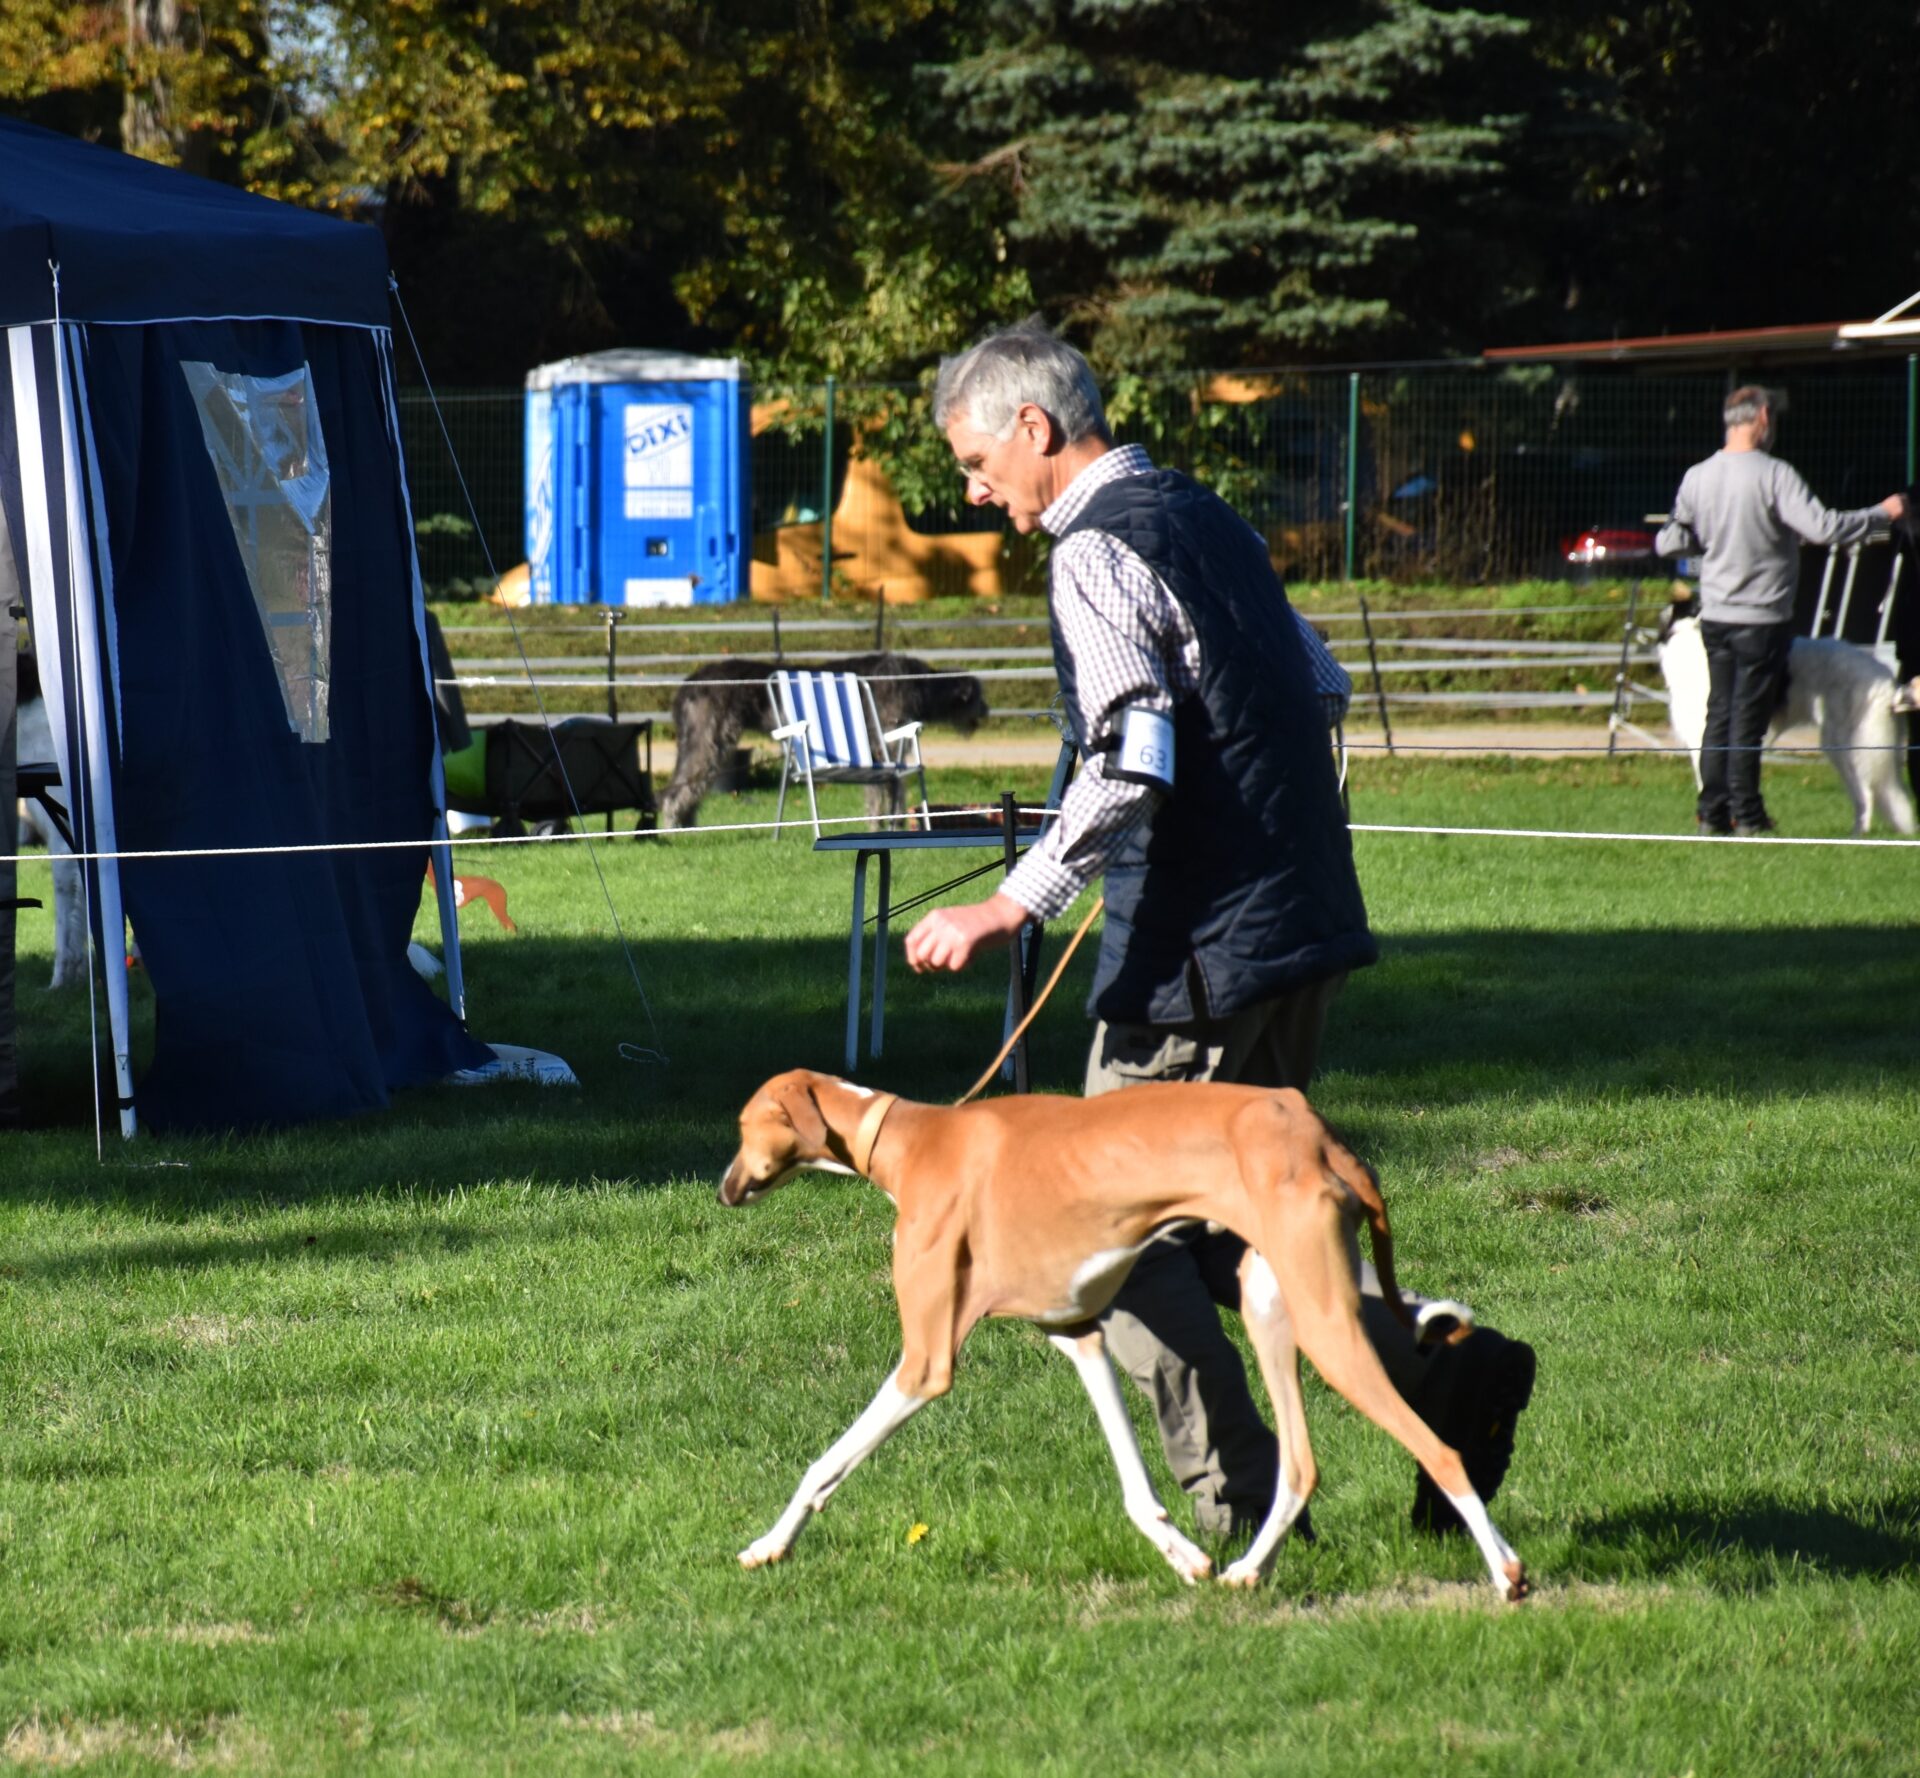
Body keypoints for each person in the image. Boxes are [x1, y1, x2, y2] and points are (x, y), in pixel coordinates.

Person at [903, 319, 1533, 1541]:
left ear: (1034, 430)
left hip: (1198, 957)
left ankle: (1246, 1497)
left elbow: (1131, 756)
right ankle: (1441, 1355)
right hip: (1302, 930)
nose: (974, 490)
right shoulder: (1209, 518)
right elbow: (1321, 682)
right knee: (1249, 1214)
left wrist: (1008, 899)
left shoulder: (1092, 552)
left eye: (977, 461)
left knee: (1101, 1239)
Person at [1656, 385, 1906, 837]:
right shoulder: (1775, 475)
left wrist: (1712, 540)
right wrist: (1881, 513)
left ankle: (1712, 814)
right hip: (1763, 619)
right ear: (1764, 418)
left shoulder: (1697, 476)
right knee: (1749, 719)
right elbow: (1823, 527)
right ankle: (1748, 816)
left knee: (1720, 714)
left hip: (1715, 617)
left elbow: (1670, 540)